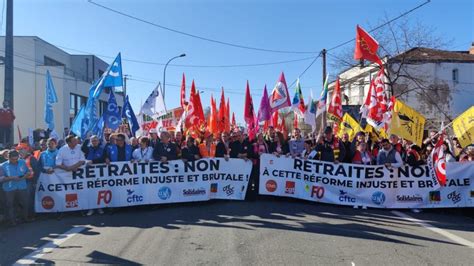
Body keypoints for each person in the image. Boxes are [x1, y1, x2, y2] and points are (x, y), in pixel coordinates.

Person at [1, 150, 31, 226]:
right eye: (13, 159)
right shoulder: (2, 166)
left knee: (24, 203)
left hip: (22, 186)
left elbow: (28, 172)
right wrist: (11, 178)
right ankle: (12, 221)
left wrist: (26, 175)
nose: (15, 161)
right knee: (10, 205)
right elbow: (1, 179)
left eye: (16, 159)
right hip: (9, 188)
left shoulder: (22, 162)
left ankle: (25, 218)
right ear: (8, 157)